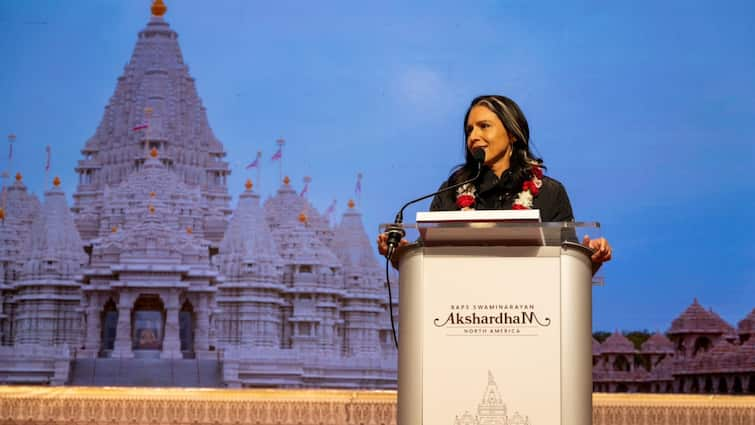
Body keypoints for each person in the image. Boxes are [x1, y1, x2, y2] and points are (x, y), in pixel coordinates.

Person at [377, 94, 612, 272]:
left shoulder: (549, 192)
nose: (473, 137)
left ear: (512, 134)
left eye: (484, 126)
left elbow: (569, 269)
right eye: (469, 130)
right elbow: (426, 264)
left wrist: (592, 259)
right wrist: (399, 256)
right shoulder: (450, 191)